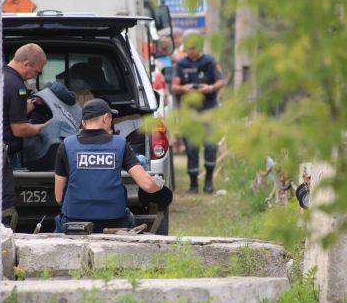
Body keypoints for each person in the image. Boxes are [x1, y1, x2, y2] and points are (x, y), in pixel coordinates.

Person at [54, 98, 169, 233]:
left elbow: (59, 197)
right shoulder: (120, 144)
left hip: (74, 222)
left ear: (83, 122)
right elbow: (147, 185)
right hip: (114, 222)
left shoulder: (66, 145)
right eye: (111, 118)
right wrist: (158, 184)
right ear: (106, 118)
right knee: (130, 218)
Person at [171, 30, 226, 194]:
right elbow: (174, 87)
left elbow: (221, 81)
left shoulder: (209, 62)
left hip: (209, 110)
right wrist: (184, 88)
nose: (190, 51)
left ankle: (209, 182)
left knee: (210, 146)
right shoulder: (181, 64)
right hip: (189, 113)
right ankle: (193, 184)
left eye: (193, 48)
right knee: (191, 148)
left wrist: (209, 88)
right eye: (187, 48)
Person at [2, 43, 48, 227]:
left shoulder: (1, 76)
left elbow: (8, 109)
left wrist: (33, 104)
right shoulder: (17, 85)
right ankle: (2, 241)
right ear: (27, 64)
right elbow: (19, 129)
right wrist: (44, 127)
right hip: (1, 156)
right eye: (37, 72)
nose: (34, 76)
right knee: (5, 204)